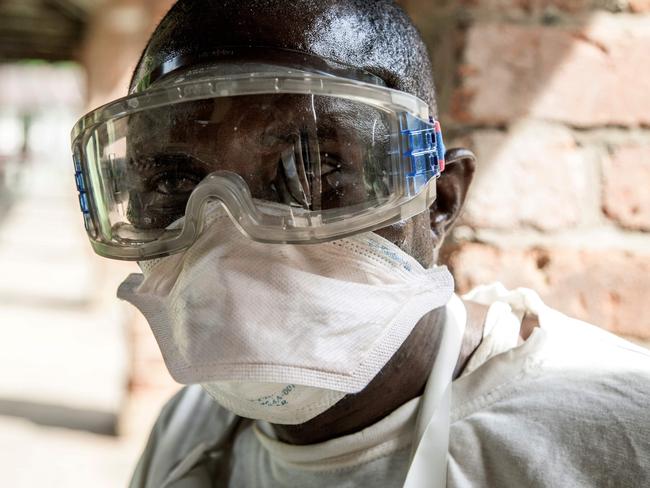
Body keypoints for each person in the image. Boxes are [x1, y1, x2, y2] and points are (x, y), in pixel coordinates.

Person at [70, 1, 650, 486]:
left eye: (317, 169)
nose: (231, 238)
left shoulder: (611, 439)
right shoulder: (191, 430)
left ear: (440, 201)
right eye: (173, 181)